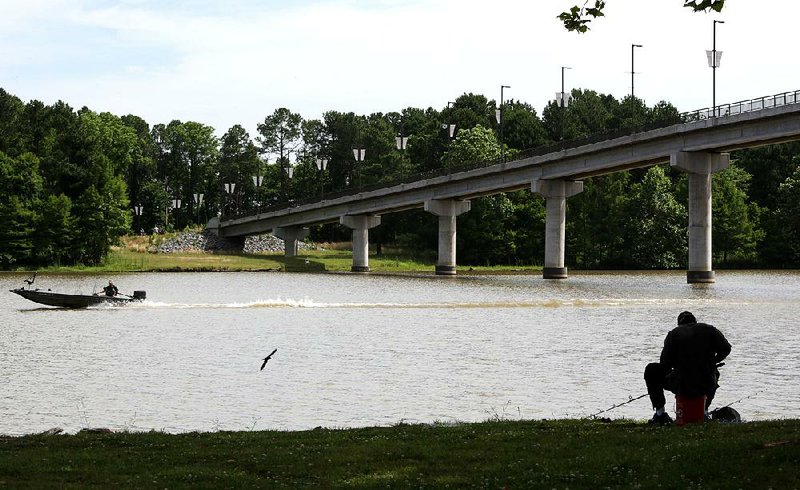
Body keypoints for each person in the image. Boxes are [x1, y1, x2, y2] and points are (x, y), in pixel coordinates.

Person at [644, 311, 731, 425]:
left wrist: (676, 368)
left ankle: (660, 414)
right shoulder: (710, 329)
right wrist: (713, 362)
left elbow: (665, 364)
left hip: (682, 384)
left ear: (679, 324)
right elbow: (726, 348)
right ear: (695, 321)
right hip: (706, 383)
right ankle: (703, 411)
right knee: (715, 373)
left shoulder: (674, 334)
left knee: (651, 370)